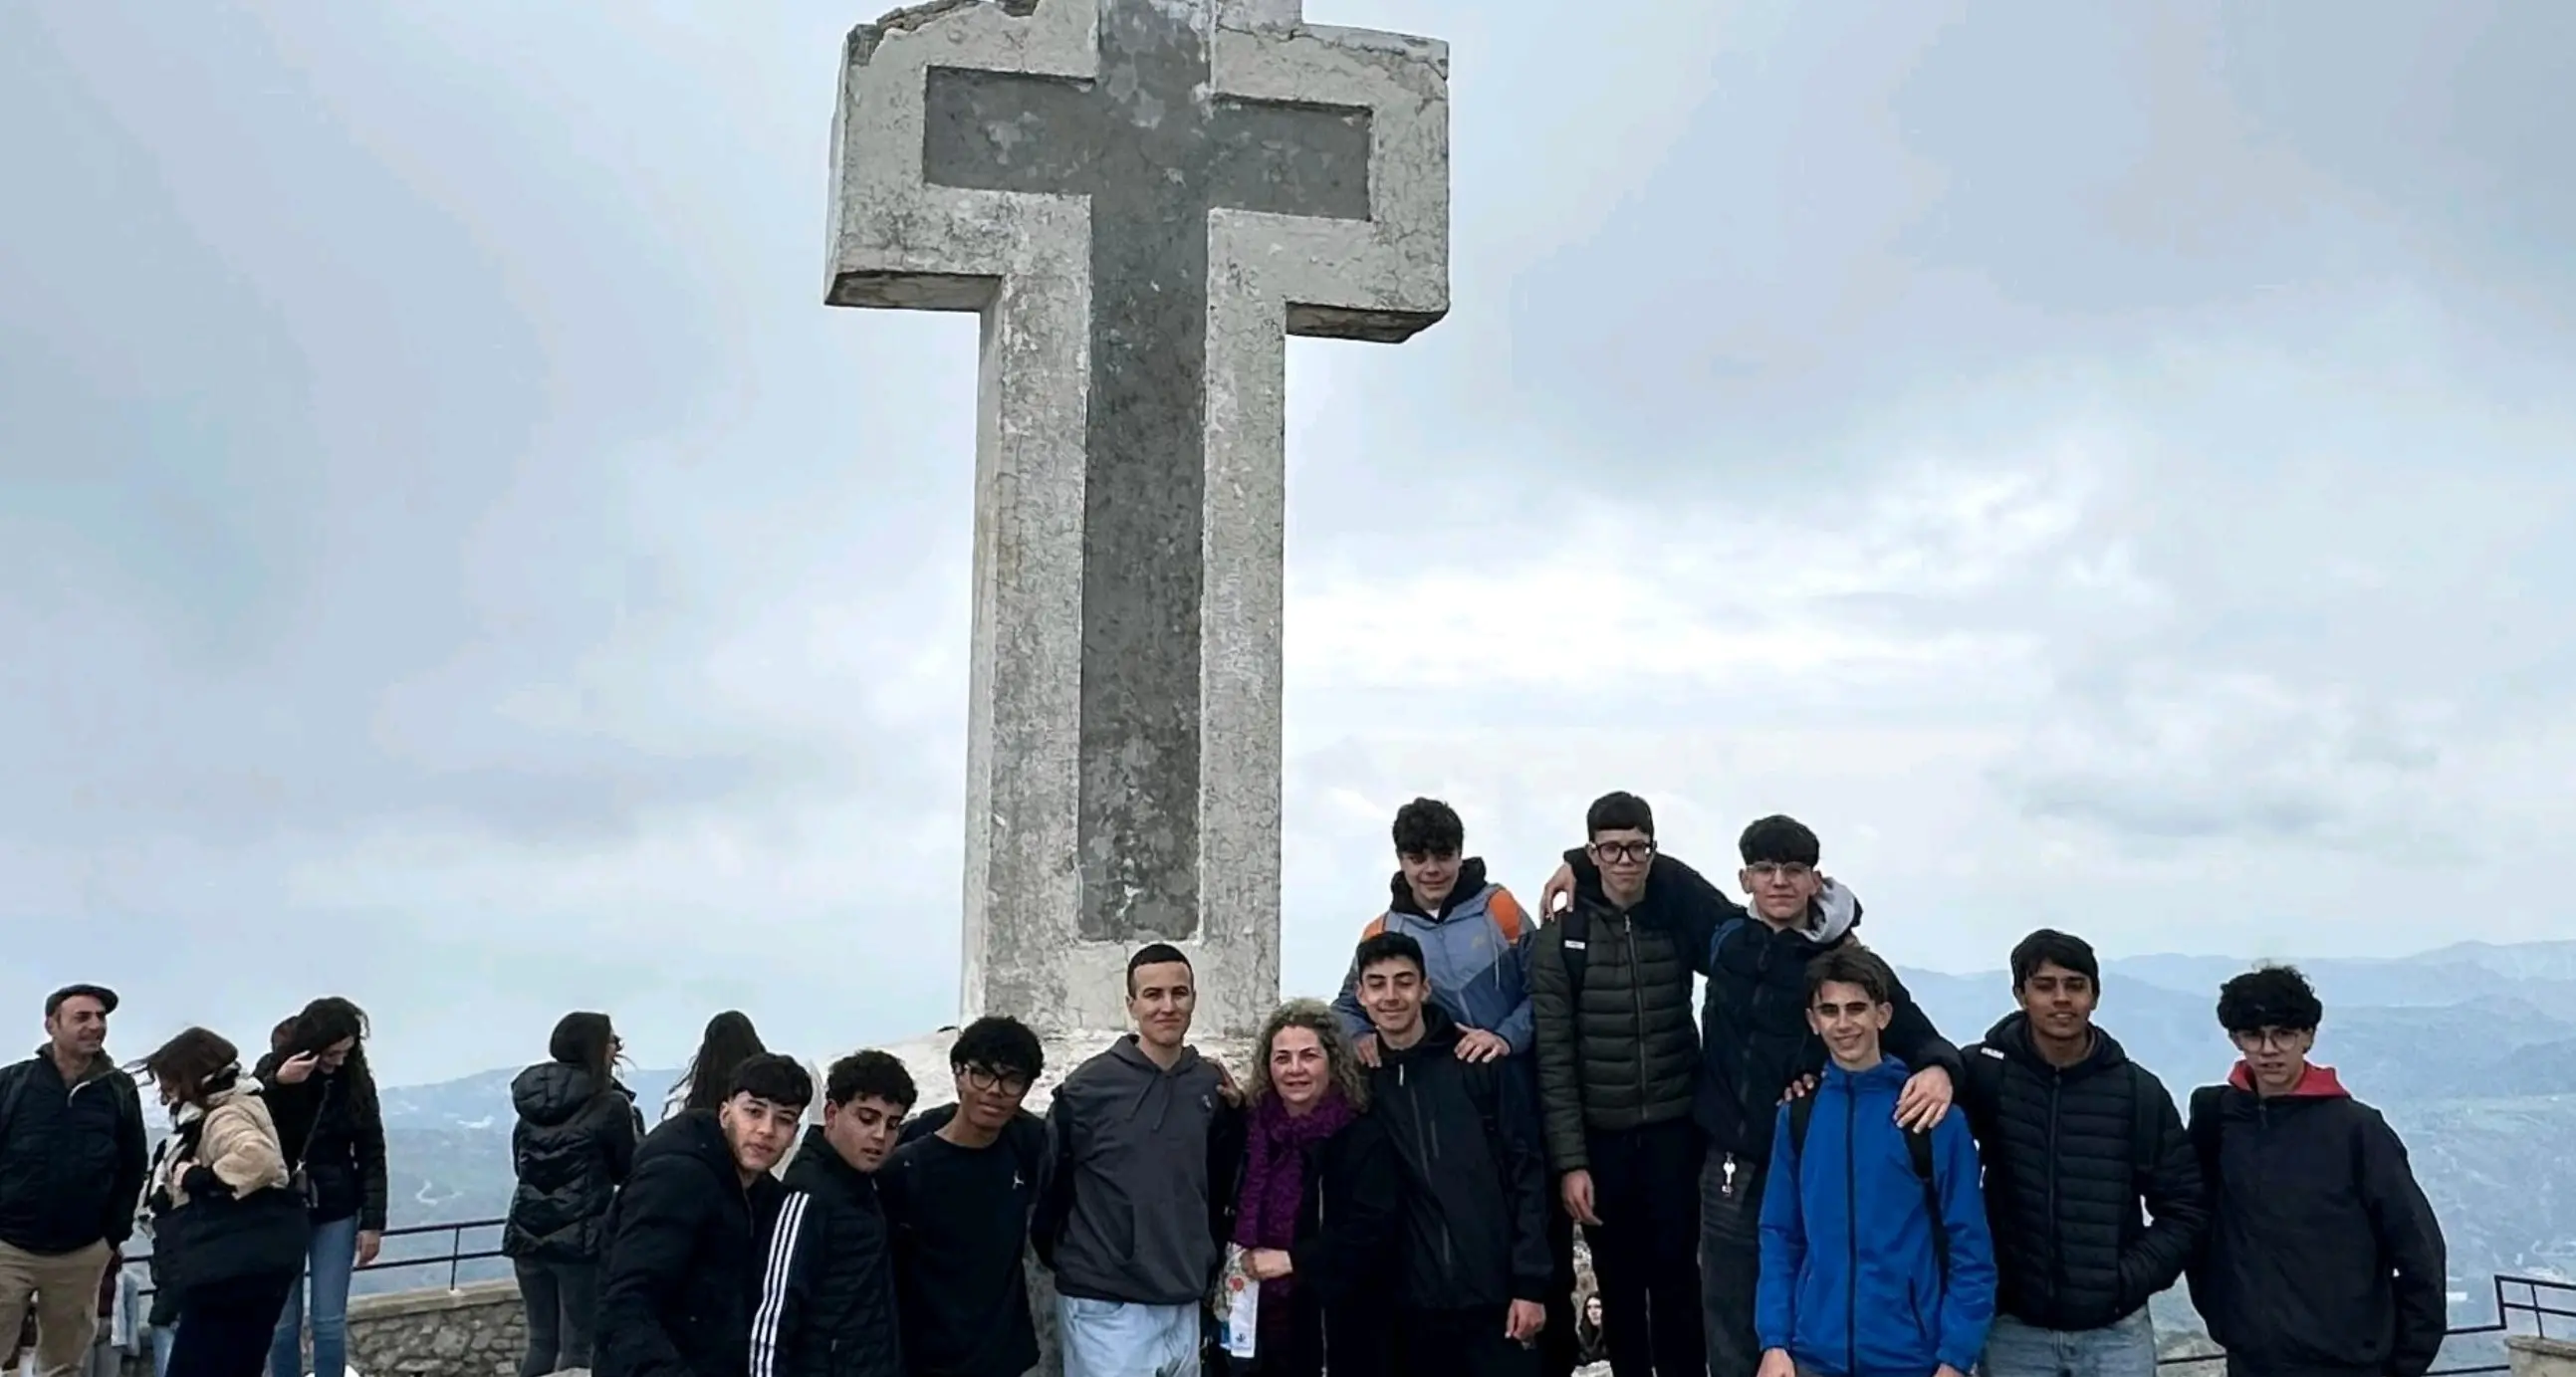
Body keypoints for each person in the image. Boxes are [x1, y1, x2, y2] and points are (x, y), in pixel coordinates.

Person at [1545, 812, 1960, 1377]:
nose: (1779, 881)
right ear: (1746, 879)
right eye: (1765, 869)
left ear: (1816, 879)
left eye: (1793, 869)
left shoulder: (1838, 960)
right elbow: (1653, 869)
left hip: (1810, 1154)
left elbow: (1915, 1031)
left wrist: (1939, 1069)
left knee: (1812, 1298)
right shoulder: (1724, 935)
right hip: (1728, 1158)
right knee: (1727, 1309)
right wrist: (1576, 862)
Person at [1332, 799, 1577, 1376]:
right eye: (1417, 857)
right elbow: (1346, 1006)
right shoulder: (1383, 930)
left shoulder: (1501, 909)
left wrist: (1504, 1038)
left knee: (1543, 1277)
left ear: (1460, 854)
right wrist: (1359, 1037)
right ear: (1401, 859)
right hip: (1426, 1096)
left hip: (1510, 1095)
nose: (1431, 869)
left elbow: (1543, 992)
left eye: (1442, 855)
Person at [1957, 931, 2206, 1377]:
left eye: (2075, 985)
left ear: (2095, 995)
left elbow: (2184, 1207)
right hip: (2015, 1326)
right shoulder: (1984, 1075)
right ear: (2020, 995)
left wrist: (2127, 1281)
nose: (2061, 999)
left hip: (2116, 1331)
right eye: (2044, 985)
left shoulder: (2137, 1091)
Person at [2185, 966, 2448, 1377]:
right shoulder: (2216, 1119)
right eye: (2254, 1035)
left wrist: (2406, 1361)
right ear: (2235, 1039)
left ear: (2308, 1036)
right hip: (2253, 1359)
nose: (2269, 1049)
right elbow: (2195, 1221)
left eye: (2284, 1034)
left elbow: (2418, 1248)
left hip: (2348, 1362)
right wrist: (2223, 1315)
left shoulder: (2356, 1130)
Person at [1527, 794, 1707, 1377]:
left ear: (1653, 850)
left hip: (1676, 1131)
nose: (1625, 860)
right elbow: (1554, 1058)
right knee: (1619, 1287)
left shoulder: (1675, 921)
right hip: (1602, 1140)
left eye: (1637, 847)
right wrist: (1571, 1163)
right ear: (1593, 853)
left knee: (1680, 1283)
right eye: (1611, 849)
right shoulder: (1562, 937)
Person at [1756, 949, 1993, 1377]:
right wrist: (1774, 1342)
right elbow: (1780, 1233)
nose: (1843, 1024)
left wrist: (1956, 1358)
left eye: (1856, 1008)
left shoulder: (1930, 1118)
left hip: (1911, 1361)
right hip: (1812, 1357)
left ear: (1883, 1015)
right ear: (1813, 1021)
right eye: (1830, 1011)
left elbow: (1970, 1246)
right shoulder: (1799, 1116)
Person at [1353, 932, 1551, 1377]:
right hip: (1406, 1313)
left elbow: (1528, 1176)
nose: (1391, 996)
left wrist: (1530, 1285)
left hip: (1493, 1302)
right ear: (1361, 996)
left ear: (1425, 988)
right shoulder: (1360, 1085)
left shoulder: (1478, 1065)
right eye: (1377, 984)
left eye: (1404, 981)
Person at [1040, 944, 1244, 1377]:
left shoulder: (1209, 1085)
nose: (1167, 1006)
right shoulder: (1088, 1088)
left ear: (1194, 999)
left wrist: (1240, 1111)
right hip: (1107, 1303)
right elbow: (1052, 1187)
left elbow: (1220, 1179)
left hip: (1184, 1297)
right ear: (1131, 1005)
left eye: (1179, 993)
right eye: (1153, 995)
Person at [594, 1054, 810, 1377]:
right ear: (725, 1114)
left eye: (784, 1119)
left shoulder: (764, 1197)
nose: (766, 1130)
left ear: (794, 1133)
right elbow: (627, 1302)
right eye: (754, 1112)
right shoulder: (675, 1180)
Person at [1222, 1000, 1403, 1377]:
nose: (1295, 1069)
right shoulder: (1250, 1131)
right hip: (1253, 1327)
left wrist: (1293, 1260)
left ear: (1332, 1062)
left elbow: (1373, 1232)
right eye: (1282, 1058)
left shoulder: (1360, 1137)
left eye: (1309, 1056)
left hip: (1332, 1335)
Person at [877, 1019, 1051, 1377]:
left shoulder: (1029, 1145)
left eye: (1012, 1079)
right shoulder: (906, 1165)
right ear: (958, 1074)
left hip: (1003, 1358)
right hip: (925, 1359)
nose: (995, 1090)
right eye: (982, 1074)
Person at [138, 1028, 313, 1377]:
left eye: (169, 1085)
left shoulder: (223, 1116)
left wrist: (197, 1177)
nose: (164, 1096)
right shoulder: (241, 1102)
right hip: (257, 1264)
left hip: (225, 1269)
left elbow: (259, 1160)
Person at [0, 985, 149, 1377]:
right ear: (51, 1025)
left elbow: (133, 1166)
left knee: (64, 1365)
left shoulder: (118, 1090)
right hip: (8, 1245)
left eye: (101, 1018)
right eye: (82, 1018)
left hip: (80, 1252)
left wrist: (111, 1236)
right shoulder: (13, 1084)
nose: (95, 1026)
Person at [751, 1050, 916, 1377]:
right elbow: (773, 1317)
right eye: (867, 1119)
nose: (880, 1135)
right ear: (831, 1113)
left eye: (892, 1124)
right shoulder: (807, 1195)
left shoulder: (865, 1186)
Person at [504, 1012, 644, 1377]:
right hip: (581, 1240)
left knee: (540, 1342)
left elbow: (521, 1166)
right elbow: (627, 1169)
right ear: (595, 1047)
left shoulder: (531, 1102)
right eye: (611, 1040)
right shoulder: (610, 1104)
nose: (616, 1047)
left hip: (526, 1233)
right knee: (578, 1347)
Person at [255, 999, 387, 1377]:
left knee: (328, 1321)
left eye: (346, 1053)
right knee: (282, 1323)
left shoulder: (355, 1082)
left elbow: (371, 1151)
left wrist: (372, 1222)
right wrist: (280, 1085)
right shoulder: (272, 1072)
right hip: (280, 1208)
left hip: (336, 1207)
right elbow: (249, 1125)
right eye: (332, 1053)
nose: (339, 1062)